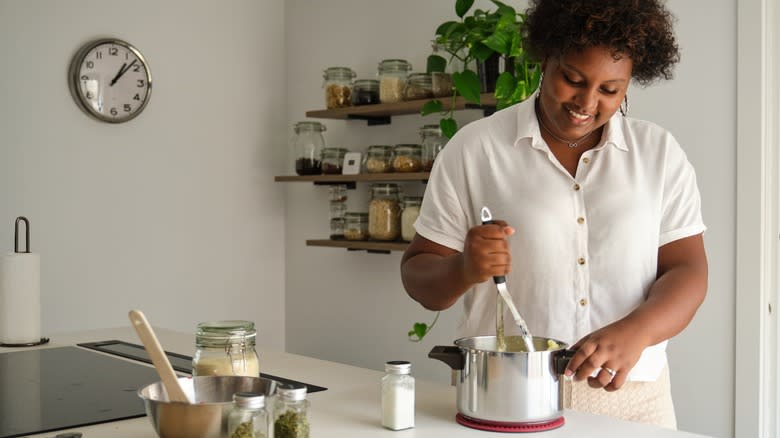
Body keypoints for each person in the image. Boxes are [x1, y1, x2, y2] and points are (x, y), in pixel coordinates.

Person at [400, 0, 707, 429]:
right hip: (504, 395)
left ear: (629, 84)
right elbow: (420, 278)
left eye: (610, 90)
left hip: (636, 402)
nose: (586, 102)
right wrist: (464, 268)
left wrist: (638, 330)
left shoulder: (659, 154)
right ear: (546, 59)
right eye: (572, 79)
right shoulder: (476, 149)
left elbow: (688, 271)